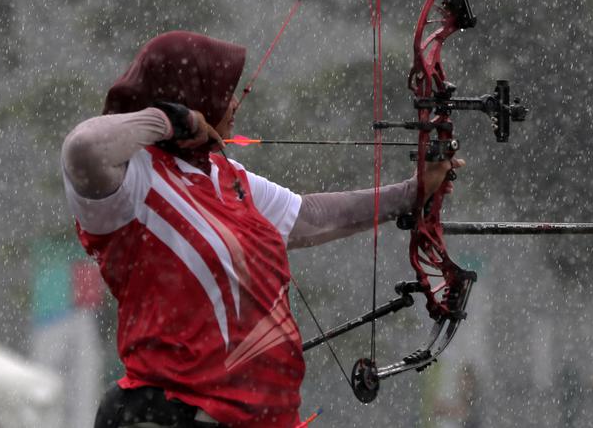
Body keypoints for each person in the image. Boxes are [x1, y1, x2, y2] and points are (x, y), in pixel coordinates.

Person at [61, 31, 460, 428]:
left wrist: (412, 192)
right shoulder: (132, 180)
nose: (234, 103)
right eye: (224, 91)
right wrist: (170, 119)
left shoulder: (225, 176)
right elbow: (83, 148)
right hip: (171, 415)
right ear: (191, 96)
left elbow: (312, 217)